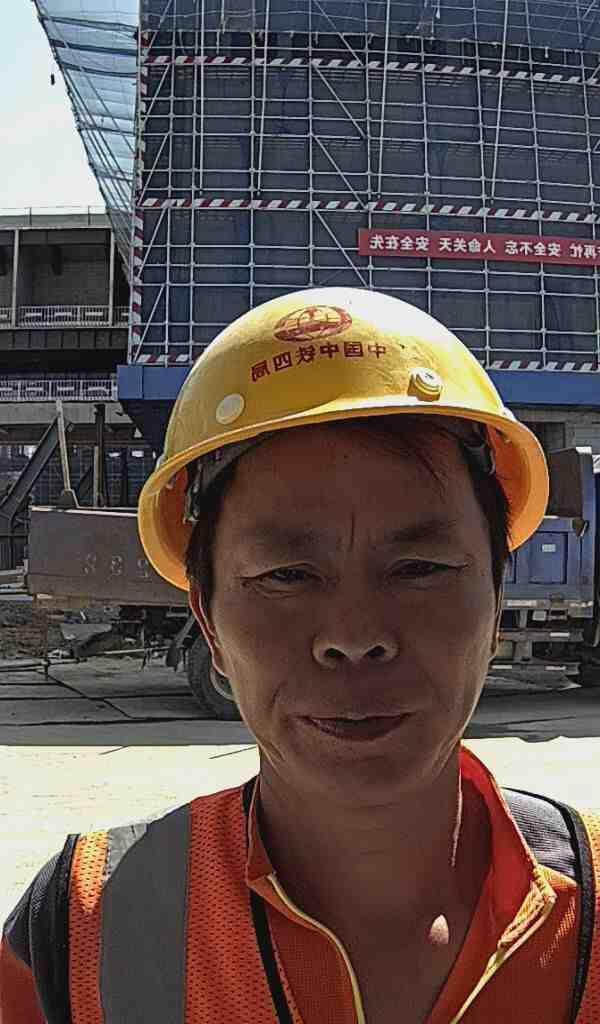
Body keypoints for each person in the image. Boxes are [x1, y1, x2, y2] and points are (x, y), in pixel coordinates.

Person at [1, 287, 599, 1024]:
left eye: (419, 568)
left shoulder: (591, 916)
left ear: (497, 600)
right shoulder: (80, 931)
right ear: (209, 622)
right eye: (286, 576)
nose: (354, 633)